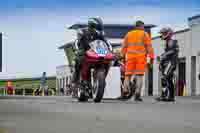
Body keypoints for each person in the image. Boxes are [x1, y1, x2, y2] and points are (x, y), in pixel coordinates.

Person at [120, 20, 154, 101]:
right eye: (143, 26)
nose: (144, 28)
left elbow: (124, 46)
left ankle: (124, 93)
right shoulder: (145, 34)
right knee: (139, 76)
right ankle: (137, 94)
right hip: (141, 58)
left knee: (127, 76)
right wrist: (151, 57)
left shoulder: (129, 34)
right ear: (140, 26)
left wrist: (122, 56)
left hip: (130, 58)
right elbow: (149, 47)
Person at [72, 17, 112, 84]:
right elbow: (76, 41)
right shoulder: (82, 31)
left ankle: (102, 77)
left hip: (95, 51)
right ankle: (75, 77)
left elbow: (106, 42)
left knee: (108, 60)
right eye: (97, 26)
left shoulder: (101, 34)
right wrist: (76, 49)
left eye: (100, 26)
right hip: (84, 50)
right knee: (78, 59)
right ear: (92, 25)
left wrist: (109, 49)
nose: (99, 28)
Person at [155, 27, 179, 102]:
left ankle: (164, 96)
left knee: (164, 78)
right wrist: (162, 60)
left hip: (170, 63)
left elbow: (172, 51)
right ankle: (171, 97)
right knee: (169, 79)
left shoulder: (171, 41)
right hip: (169, 63)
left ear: (168, 34)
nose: (162, 35)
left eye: (163, 33)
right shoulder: (168, 42)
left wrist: (163, 56)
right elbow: (169, 52)